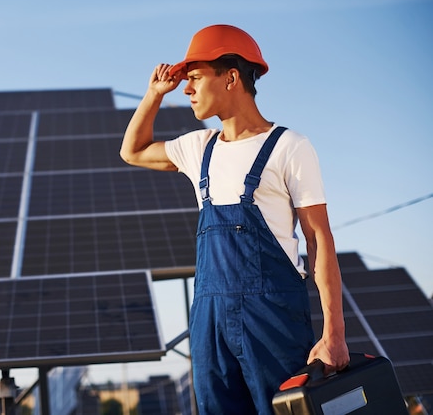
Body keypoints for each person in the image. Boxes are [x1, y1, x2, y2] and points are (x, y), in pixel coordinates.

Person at [120, 24, 350, 414]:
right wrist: (154, 95)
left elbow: (319, 241)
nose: (187, 89)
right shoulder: (198, 147)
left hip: (273, 316)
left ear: (230, 78)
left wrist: (335, 334)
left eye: (194, 78)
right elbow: (133, 151)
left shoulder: (289, 147)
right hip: (209, 317)